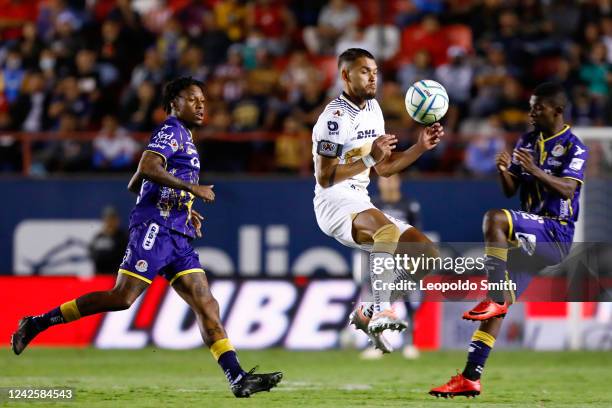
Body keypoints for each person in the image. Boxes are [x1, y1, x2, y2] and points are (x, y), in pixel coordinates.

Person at [12, 77, 282, 398]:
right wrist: (191, 189)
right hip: (155, 228)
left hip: (177, 232)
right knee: (122, 298)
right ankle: (38, 322)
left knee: (206, 303)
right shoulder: (172, 131)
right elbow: (147, 166)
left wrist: (185, 206)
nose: (200, 105)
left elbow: (135, 182)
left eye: (203, 101)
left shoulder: (185, 138)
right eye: (192, 99)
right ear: (173, 104)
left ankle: (237, 377)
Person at [430, 82, 588, 398]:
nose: (530, 112)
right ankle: (470, 377)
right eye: (530, 106)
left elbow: (570, 189)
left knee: (495, 219)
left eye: (537, 107)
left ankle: (494, 295)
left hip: (556, 232)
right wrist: (506, 170)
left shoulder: (575, 147)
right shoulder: (527, 140)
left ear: (556, 110)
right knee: (500, 310)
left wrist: (535, 170)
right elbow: (510, 189)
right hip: (531, 238)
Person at [312, 48, 444, 353]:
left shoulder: (373, 109)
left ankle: (366, 311)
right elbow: (325, 177)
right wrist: (370, 156)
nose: (372, 77)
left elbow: (383, 168)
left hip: (359, 197)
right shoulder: (334, 117)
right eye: (363, 71)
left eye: (374, 71)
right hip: (333, 202)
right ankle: (383, 311)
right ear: (345, 76)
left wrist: (419, 147)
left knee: (426, 256)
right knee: (385, 231)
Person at [360, 174, 423, 360]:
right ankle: (374, 343)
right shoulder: (372, 205)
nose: (387, 183)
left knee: (410, 301)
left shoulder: (409, 205)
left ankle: (410, 343)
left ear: (398, 181)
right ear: (378, 183)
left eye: (391, 179)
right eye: (384, 179)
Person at [89, 206, 129, 275]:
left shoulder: (124, 237)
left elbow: (123, 258)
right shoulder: (98, 237)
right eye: (108, 219)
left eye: (112, 219)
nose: (110, 222)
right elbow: (92, 255)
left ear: (117, 221)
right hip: (100, 277)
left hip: (116, 277)